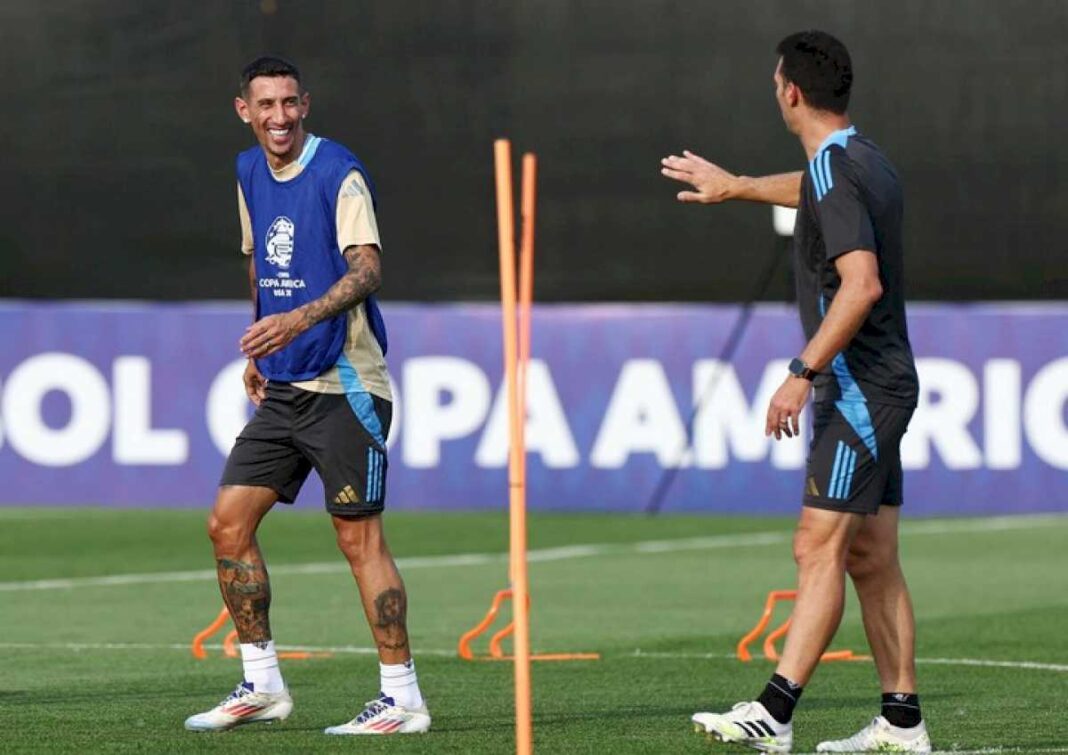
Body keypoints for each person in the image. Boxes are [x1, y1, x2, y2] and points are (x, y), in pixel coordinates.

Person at [661, 31, 930, 753]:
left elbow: (861, 282)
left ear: (790, 93)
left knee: (817, 545)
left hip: (857, 388)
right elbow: (815, 193)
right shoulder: (857, 158)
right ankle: (902, 721)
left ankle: (774, 711)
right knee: (870, 555)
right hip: (880, 382)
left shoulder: (835, 172)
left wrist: (801, 370)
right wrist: (739, 185)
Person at [184, 56, 430, 736]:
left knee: (358, 540)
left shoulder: (337, 171)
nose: (280, 116)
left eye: (290, 102)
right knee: (227, 524)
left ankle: (402, 696)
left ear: (306, 105)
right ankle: (261, 682)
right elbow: (259, 257)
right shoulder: (247, 171)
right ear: (244, 110)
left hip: (345, 385)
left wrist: (297, 321)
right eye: (265, 104)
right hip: (286, 385)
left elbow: (369, 268)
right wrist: (264, 342)